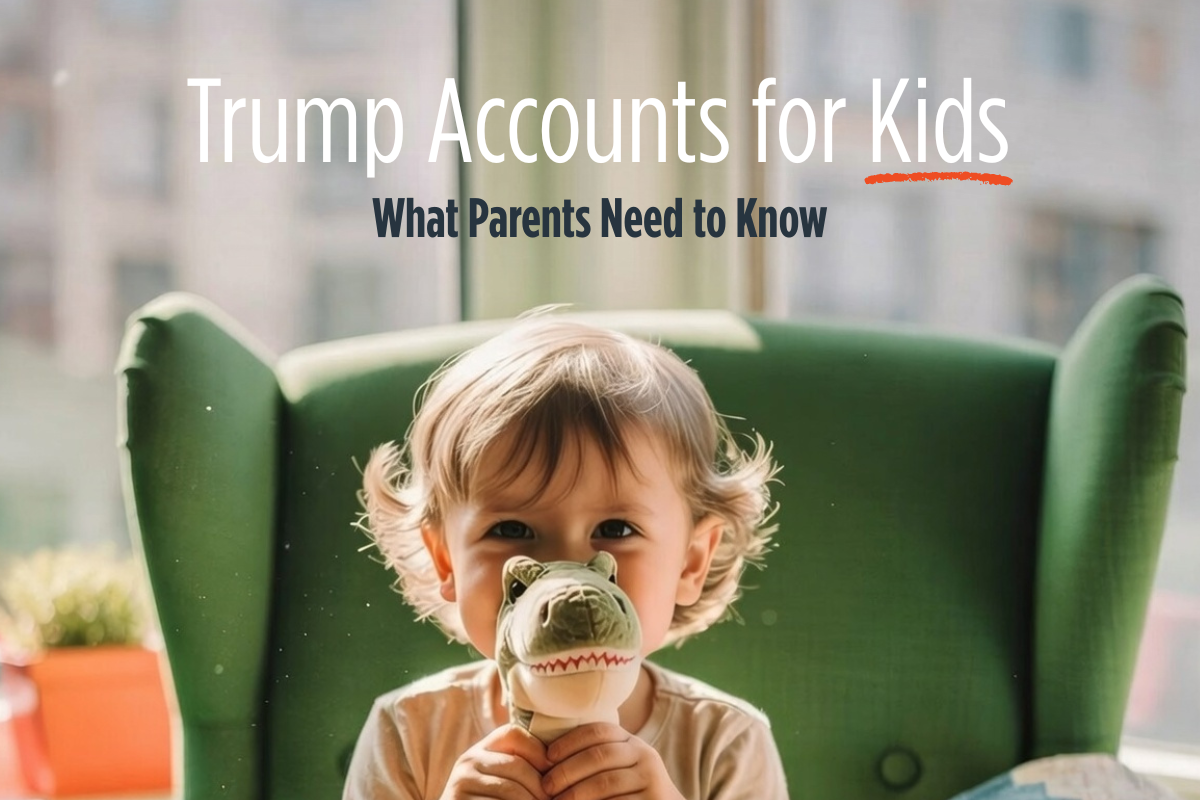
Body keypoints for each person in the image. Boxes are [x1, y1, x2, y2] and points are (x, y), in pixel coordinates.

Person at [344, 315, 787, 800]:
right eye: (512, 530)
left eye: (615, 530)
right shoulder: (407, 732)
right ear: (446, 559)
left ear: (691, 562)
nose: (563, 573)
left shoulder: (726, 742)